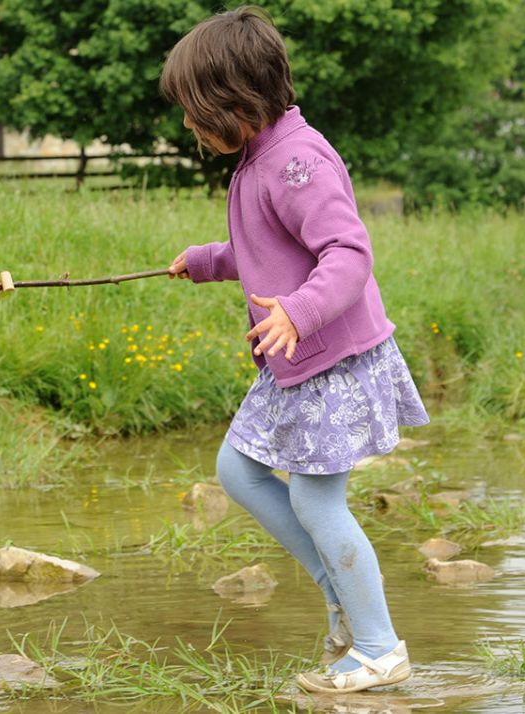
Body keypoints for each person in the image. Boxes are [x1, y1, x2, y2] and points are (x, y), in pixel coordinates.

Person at [161, 6, 428, 694]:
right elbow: (267, 246)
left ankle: (379, 648)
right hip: (298, 360)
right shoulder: (261, 158)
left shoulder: (297, 161)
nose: (188, 123)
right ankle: (338, 591)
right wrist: (209, 260)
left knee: (316, 500)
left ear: (235, 100)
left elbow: (348, 252)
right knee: (238, 469)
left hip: (330, 358)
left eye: (194, 110)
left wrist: (299, 312)